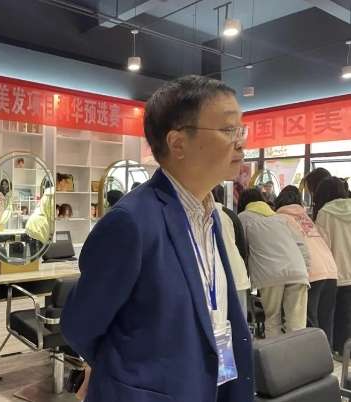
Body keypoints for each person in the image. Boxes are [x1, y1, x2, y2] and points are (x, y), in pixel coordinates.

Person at [62, 75, 253, 402]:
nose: (241, 143)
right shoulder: (131, 222)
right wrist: (128, 375)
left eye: (241, 130)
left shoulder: (211, 215)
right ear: (177, 143)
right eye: (228, 130)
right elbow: (80, 325)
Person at [238, 188, 310, 338]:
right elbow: (302, 246)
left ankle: (276, 353)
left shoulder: (243, 217)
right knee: (297, 326)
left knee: (272, 320)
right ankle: (299, 353)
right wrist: (305, 270)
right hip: (298, 272)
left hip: (270, 275)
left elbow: (242, 252)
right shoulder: (280, 218)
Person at [275, 185, 338, 346]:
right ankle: (327, 356)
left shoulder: (280, 219)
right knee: (325, 321)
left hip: (311, 272)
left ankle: (314, 357)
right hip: (331, 270)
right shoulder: (305, 217)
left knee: (310, 323)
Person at [314, 177, 351, 358]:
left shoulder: (325, 213)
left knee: (335, 319)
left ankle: (338, 356)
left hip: (335, 273)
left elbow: (322, 245)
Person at [212, 185, 250, 318]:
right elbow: (242, 249)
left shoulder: (198, 214)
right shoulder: (230, 214)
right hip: (237, 275)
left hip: (215, 282)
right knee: (239, 324)